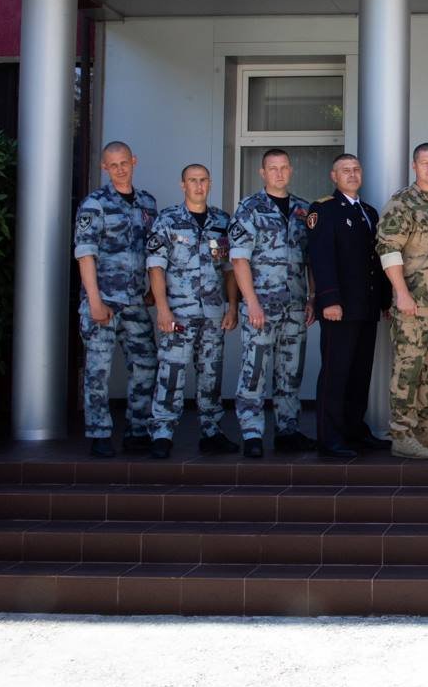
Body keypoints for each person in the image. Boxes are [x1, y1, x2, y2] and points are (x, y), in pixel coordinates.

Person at [144, 163, 239, 459]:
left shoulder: (222, 222)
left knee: (211, 373)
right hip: (178, 313)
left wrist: (232, 306)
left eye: (203, 180)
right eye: (192, 181)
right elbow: (155, 267)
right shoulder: (168, 221)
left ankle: (211, 431)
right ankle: (162, 432)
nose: (198, 186)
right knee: (172, 372)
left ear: (210, 183)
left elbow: (229, 270)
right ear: (182, 184)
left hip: (212, 313)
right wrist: (162, 309)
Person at [377, 142, 428, 460]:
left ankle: (424, 430)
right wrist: (400, 293)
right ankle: (401, 434)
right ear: (414, 166)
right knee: (408, 369)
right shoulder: (403, 202)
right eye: (424, 162)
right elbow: (388, 249)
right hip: (413, 303)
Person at [73, 141, 158, 459]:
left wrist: (152, 289)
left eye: (125, 162)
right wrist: (94, 301)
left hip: (136, 301)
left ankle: (138, 430)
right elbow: (85, 254)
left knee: (147, 364)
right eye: (114, 164)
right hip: (104, 300)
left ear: (134, 161)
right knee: (98, 369)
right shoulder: (94, 204)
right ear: (104, 168)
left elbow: (154, 251)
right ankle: (99, 433)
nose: (120, 168)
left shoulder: (147, 203)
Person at [229, 148, 313, 459]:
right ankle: (252, 433)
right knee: (255, 371)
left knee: (290, 371)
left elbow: (310, 260)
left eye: (283, 168)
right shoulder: (249, 209)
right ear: (262, 173)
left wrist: (312, 297)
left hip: (294, 305)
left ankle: (287, 430)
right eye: (272, 169)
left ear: (290, 170)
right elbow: (239, 261)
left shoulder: (303, 211)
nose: (278, 173)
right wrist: (250, 303)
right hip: (261, 307)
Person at [306, 153, 392, 459]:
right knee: (336, 374)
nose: (352, 174)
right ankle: (329, 439)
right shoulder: (324, 210)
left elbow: (376, 260)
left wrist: (384, 299)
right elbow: (321, 257)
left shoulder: (368, 212)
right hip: (339, 308)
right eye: (345, 170)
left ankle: (354, 431)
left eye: (356, 169)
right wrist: (328, 299)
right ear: (334, 176)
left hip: (365, 307)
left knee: (359, 374)